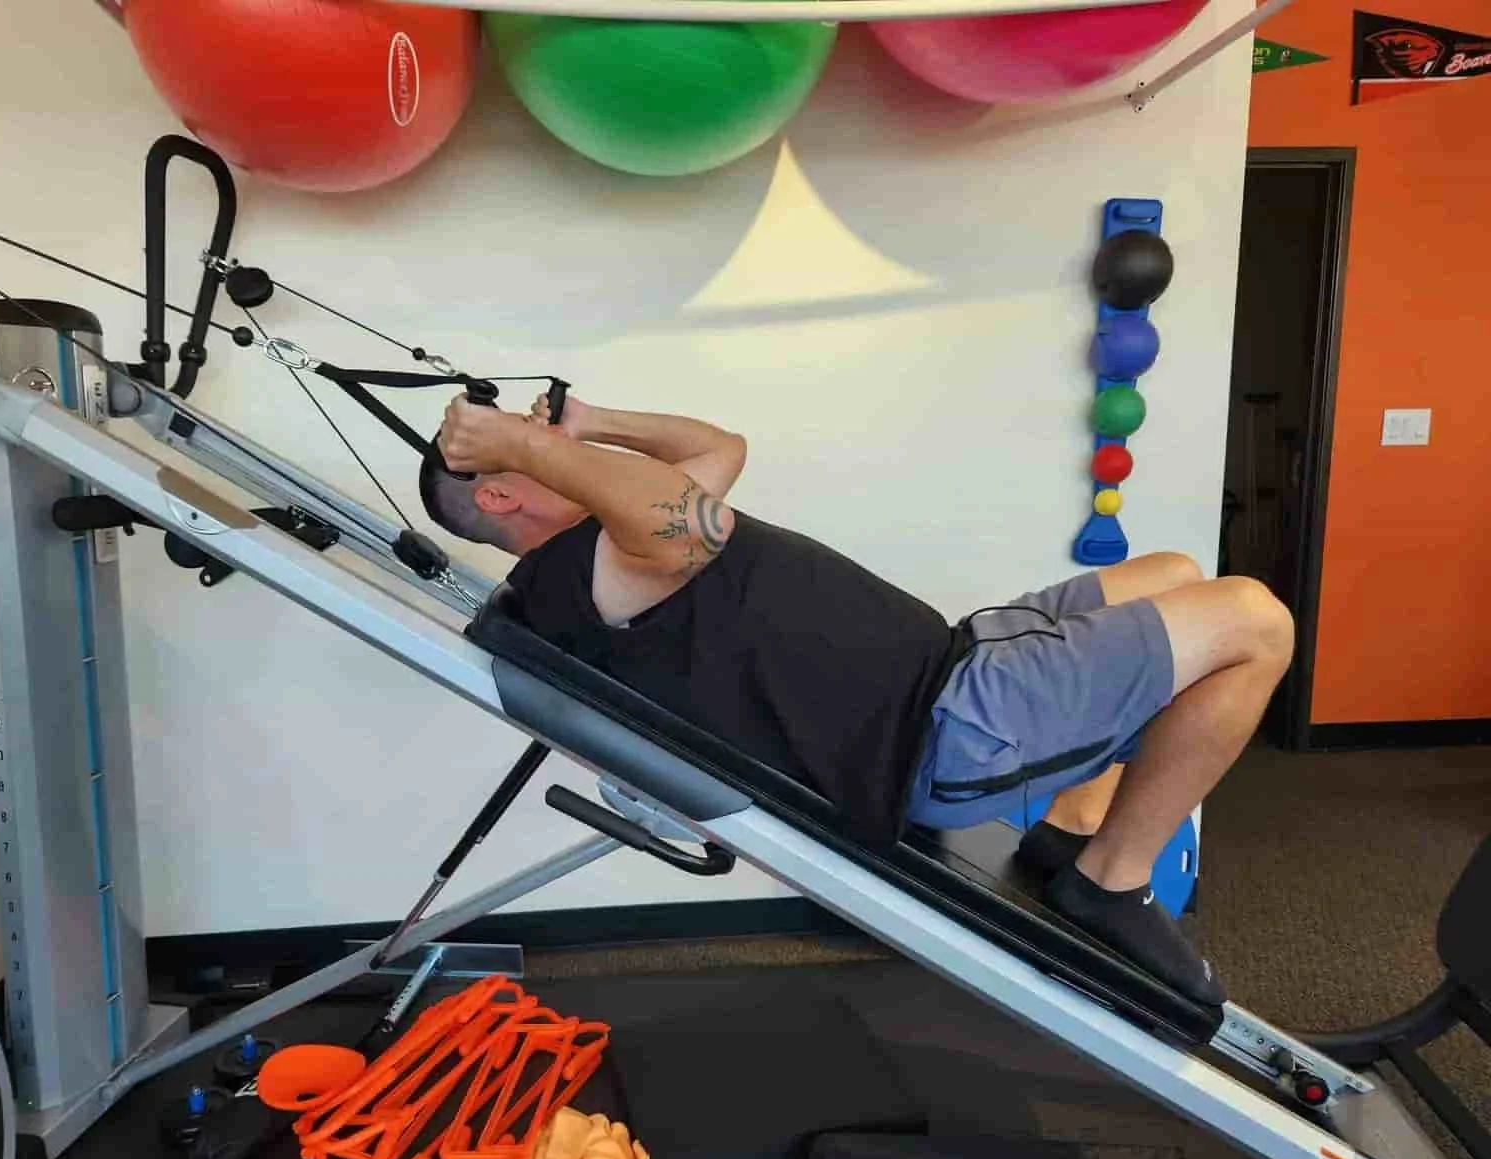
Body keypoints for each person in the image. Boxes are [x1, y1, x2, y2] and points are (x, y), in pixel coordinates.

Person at [427, 392, 1293, 1007]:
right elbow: (687, 518)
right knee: (1254, 621)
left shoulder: (614, 538)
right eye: (522, 460)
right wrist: (531, 445)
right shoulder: (585, 577)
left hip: (961, 653)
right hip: (951, 728)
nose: (573, 457)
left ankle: (1067, 829)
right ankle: (1113, 880)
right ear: (502, 494)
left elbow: (722, 447)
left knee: (1172, 575)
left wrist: (588, 423)